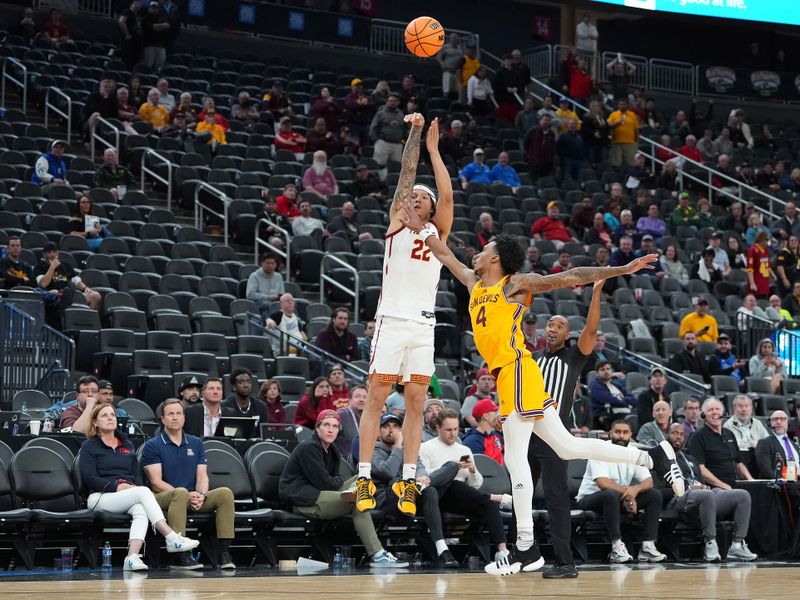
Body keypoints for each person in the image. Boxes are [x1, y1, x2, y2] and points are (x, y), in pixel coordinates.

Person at [396, 216, 684, 574]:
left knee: (516, 459)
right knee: (567, 447)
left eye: (485, 249)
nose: (477, 252)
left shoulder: (513, 284)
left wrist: (619, 268)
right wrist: (420, 228)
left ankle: (527, 548)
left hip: (517, 370)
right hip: (512, 376)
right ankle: (651, 456)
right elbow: (444, 253)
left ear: (497, 258)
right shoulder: (473, 283)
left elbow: (570, 276)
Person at [354, 114, 455, 519]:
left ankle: (409, 480)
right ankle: (363, 475)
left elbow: (447, 197)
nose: (415, 199)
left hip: (424, 324)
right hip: (393, 320)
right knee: (377, 395)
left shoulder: (437, 231)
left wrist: (435, 150)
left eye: (421, 198)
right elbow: (405, 173)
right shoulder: (399, 223)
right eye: (411, 197)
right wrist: (414, 135)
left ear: (429, 207)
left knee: (417, 402)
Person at [530, 281, 604, 578]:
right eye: (549, 323)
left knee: (556, 498)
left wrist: (596, 292)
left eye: (559, 325)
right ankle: (517, 553)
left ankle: (565, 562)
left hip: (554, 436)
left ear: (567, 335)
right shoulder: (534, 360)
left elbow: (591, 328)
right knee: (519, 493)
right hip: (528, 434)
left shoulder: (574, 356)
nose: (552, 327)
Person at [278, 410, 407, 567]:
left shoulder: (332, 451)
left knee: (362, 480)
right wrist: (340, 484)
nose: (330, 429)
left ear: (339, 430)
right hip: (304, 500)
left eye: (335, 426)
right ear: (317, 428)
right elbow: (324, 483)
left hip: (321, 495)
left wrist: (342, 485)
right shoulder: (308, 447)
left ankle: (378, 553)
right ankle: (377, 554)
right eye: (326, 425)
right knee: (359, 501)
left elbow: (330, 483)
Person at [80, 404, 200, 571]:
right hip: (100, 496)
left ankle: (131, 557)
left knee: (140, 508)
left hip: (128, 494)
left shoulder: (127, 444)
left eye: (112, 415)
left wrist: (132, 487)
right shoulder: (89, 446)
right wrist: (118, 487)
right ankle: (171, 537)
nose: (110, 418)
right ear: (95, 422)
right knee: (143, 492)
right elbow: (90, 478)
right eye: (104, 415)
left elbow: (136, 475)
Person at [141, 398, 236, 570]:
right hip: (162, 497)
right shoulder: (152, 445)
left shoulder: (196, 443)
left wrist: (201, 495)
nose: (175, 417)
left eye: (179, 413)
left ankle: (223, 553)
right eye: (170, 414)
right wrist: (185, 493)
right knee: (181, 493)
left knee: (225, 493)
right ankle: (179, 555)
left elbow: (202, 476)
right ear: (162, 419)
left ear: (184, 418)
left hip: (191, 496)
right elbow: (156, 482)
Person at [420, 409, 514, 572]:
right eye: (448, 430)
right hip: (437, 497)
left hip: (462, 496)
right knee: (456, 484)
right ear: (438, 428)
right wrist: (450, 468)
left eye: (456, 429)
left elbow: (475, 485)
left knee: (488, 504)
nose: (453, 433)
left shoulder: (463, 449)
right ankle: (498, 498)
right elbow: (423, 479)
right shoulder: (426, 448)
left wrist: (471, 470)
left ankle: (501, 550)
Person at [370, 412, 459, 567]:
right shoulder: (373, 451)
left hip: (413, 499)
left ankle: (441, 548)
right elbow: (387, 472)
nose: (391, 430)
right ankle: (414, 486)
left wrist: (423, 478)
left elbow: (420, 468)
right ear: (378, 432)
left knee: (448, 469)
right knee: (399, 482)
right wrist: (398, 446)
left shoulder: (409, 451)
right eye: (386, 427)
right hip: (388, 501)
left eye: (396, 427)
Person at [663, 423, 757, 562]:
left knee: (742, 495)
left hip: (701, 496)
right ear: (666, 435)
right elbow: (659, 489)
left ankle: (737, 546)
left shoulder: (690, 459)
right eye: (674, 433)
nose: (678, 437)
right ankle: (711, 543)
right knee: (706, 495)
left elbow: (700, 483)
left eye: (682, 434)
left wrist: (702, 487)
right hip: (677, 498)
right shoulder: (660, 459)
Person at [576, 420, 666, 563]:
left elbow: (649, 482)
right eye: (617, 432)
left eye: (625, 433)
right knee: (610, 493)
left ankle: (647, 547)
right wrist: (629, 496)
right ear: (610, 433)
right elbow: (603, 483)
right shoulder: (599, 450)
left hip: (617, 499)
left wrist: (635, 490)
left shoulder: (635, 452)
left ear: (631, 435)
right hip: (590, 499)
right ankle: (616, 547)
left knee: (654, 495)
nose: (621, 436)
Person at [35, 241, 102, 311]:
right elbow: (42, 284)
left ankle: (88, 320)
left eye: (54, 251)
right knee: (55, 292)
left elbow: (76, 281)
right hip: (53, 297)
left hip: (69, 295)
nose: (52, 255)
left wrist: (86, 288)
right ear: (43, 254)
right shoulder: (39, 268)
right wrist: (52, 267)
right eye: (49, 252)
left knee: (95, 296)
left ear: (57, 252)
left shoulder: (66, 266)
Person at [723, 395, 769, 475]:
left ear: (751, 408)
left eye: (746, 406)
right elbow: (732, 448)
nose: (744, 409)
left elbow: (768, 442)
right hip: (740, 460)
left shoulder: (757, 423)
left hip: (758, 458)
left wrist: (758, 446)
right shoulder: (728, 425)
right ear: (734, 408)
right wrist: (753, 444)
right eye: (740, 406)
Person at [755, 410, 800, 478]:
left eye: (782, 419)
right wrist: (782, 482)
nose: (778, 422)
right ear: (770, 423)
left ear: (788, 422)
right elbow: (766, 470)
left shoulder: (795, 445)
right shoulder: (764, 443)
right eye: (775, 419)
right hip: (780, 485)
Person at [462, 399, 504, 465]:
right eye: (495, 412)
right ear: (486, 416)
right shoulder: (472, 442)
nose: (498, 415)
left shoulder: (496, 435)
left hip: (502, 473)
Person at [247, 253, 285, 318]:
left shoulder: (278, 277)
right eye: (268, 263)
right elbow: (250, 295)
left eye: (273, 263)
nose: (270, 265)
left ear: (276, 264)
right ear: (262, 263)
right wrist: (268, 297)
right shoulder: (254, 276)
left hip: (275, 304)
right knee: (268, 305)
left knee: (290, 304)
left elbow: (282, 294)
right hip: (259, 305)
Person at [335, 384, 367, 455]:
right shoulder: (340, 415)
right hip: (344, 462)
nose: (361, 399)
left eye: (365, 397)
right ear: (349, 400)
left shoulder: (371, 418)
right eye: (357, 396)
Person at [608, 98, 639, 168]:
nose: (622, 106)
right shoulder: (614, 114)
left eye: (624, 105)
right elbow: (608, 126)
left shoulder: (633, 115)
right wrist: (617, 123)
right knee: (616, 164)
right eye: (620, 104)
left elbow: (636, 129)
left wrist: (636, 142)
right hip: (617, 142)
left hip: (630, 143)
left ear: (627, 106)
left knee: (631, 164)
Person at [140, 1, 170, 70]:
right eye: (152, 8)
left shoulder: (161, 17)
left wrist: (157, 27)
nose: (154, 10)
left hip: (161, 45)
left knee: (160, 67)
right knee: (148, 66)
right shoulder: (145, 18)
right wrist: (161, 27)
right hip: (149, 45)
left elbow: (167, 25)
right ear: (149, 8)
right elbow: (151, 27)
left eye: (155, 8)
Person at [437, 33, 464, 101]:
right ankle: (446, 104)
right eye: (453, 38)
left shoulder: (460, 48)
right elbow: (438, 57)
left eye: (456, 38)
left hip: (457, 73)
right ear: (449, 39)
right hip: (448, 71)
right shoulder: (445, 47)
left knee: (456, 91)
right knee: (447, 90)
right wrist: (443, 64)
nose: (454, 40)